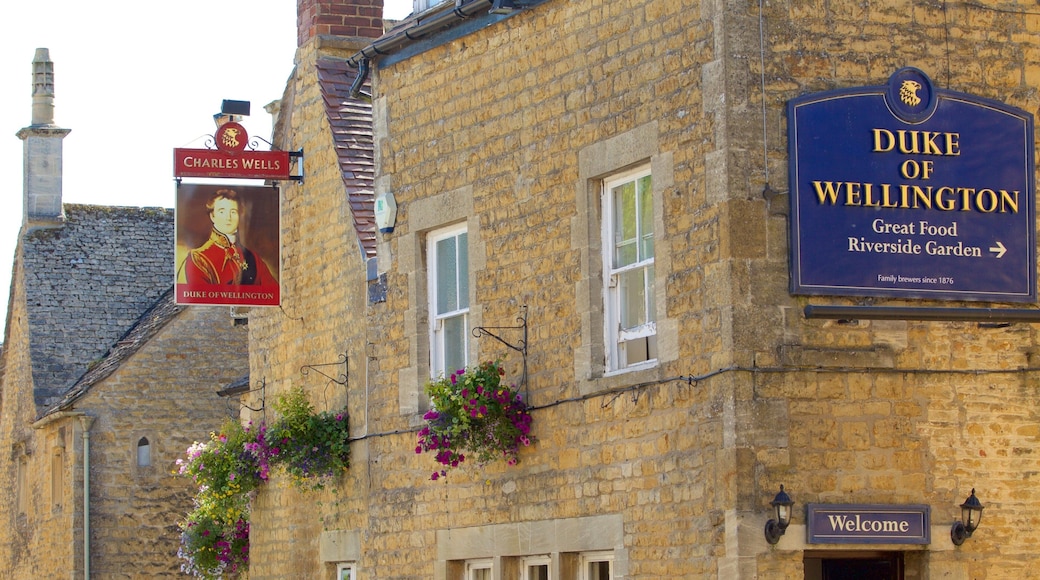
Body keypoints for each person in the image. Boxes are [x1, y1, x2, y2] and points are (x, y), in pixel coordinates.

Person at [183, 189, 276, 286]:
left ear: (239, 216)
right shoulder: (199, 258)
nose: (228, 217)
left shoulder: (253, 258)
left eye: (233, 212)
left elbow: (273, 292)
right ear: (212, 216)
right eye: (222, 212)